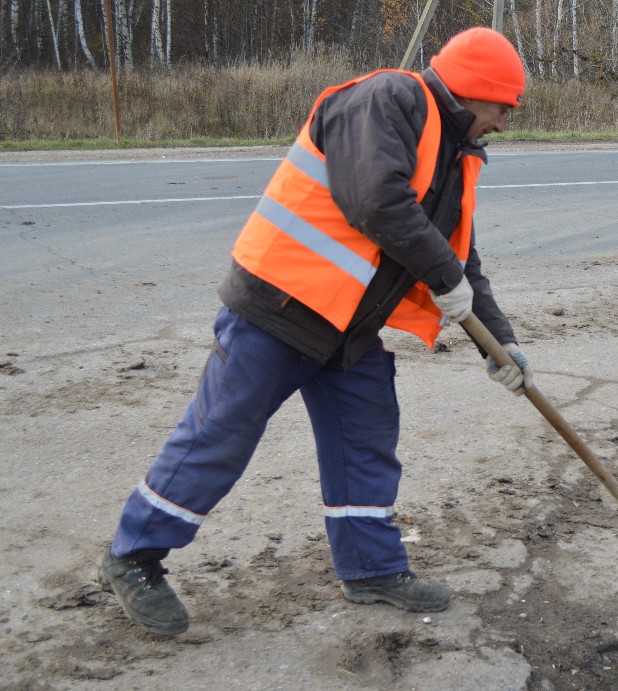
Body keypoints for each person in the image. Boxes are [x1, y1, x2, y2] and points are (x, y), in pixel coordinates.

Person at [97, 27, 532, 636]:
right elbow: (375, 201)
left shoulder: (456, 155)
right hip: (279, 308)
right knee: (221, 431)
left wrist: (501, 341)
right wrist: (443, 276)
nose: (507, 122)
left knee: (366, 435)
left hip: (348, 328)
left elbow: (461, 258)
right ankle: (132, 555)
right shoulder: (388, 100)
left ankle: (372, 567)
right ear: (476, 91)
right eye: (505, 106)